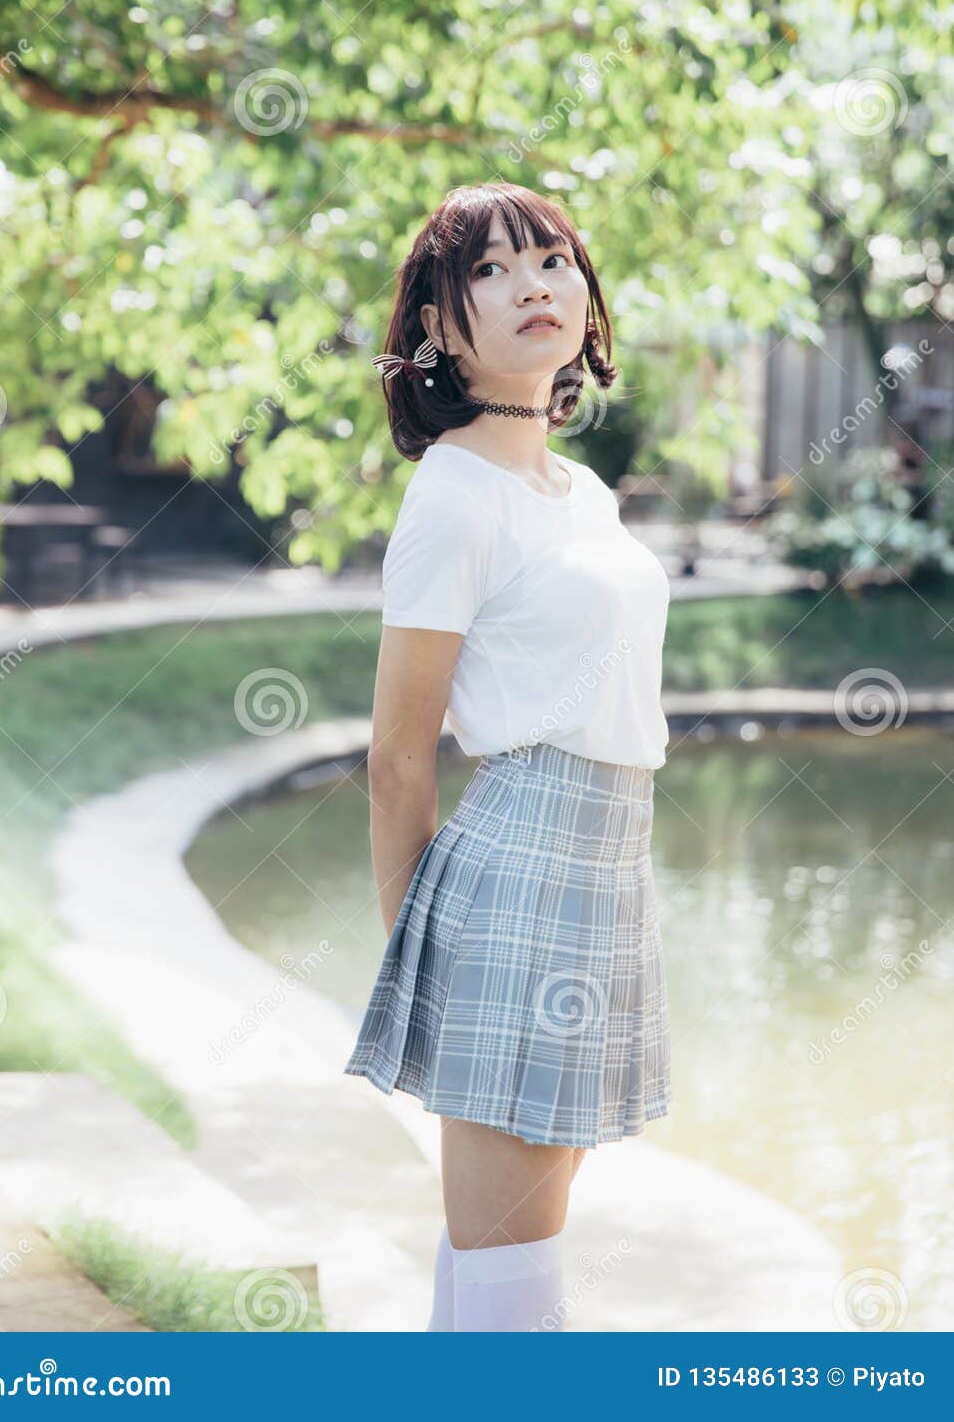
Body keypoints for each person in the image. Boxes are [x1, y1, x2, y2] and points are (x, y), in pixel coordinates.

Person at [344, 180, 672, 1333]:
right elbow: (396, 755)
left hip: (607, 864)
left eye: (550, 260)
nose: (530, 283)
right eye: (486, 268)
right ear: (438, 325)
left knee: (499, 1271)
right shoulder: (453, 495)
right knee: (512, 1287)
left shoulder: (580, 491)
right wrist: (414, 954)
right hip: (514, 872)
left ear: (584, 297)